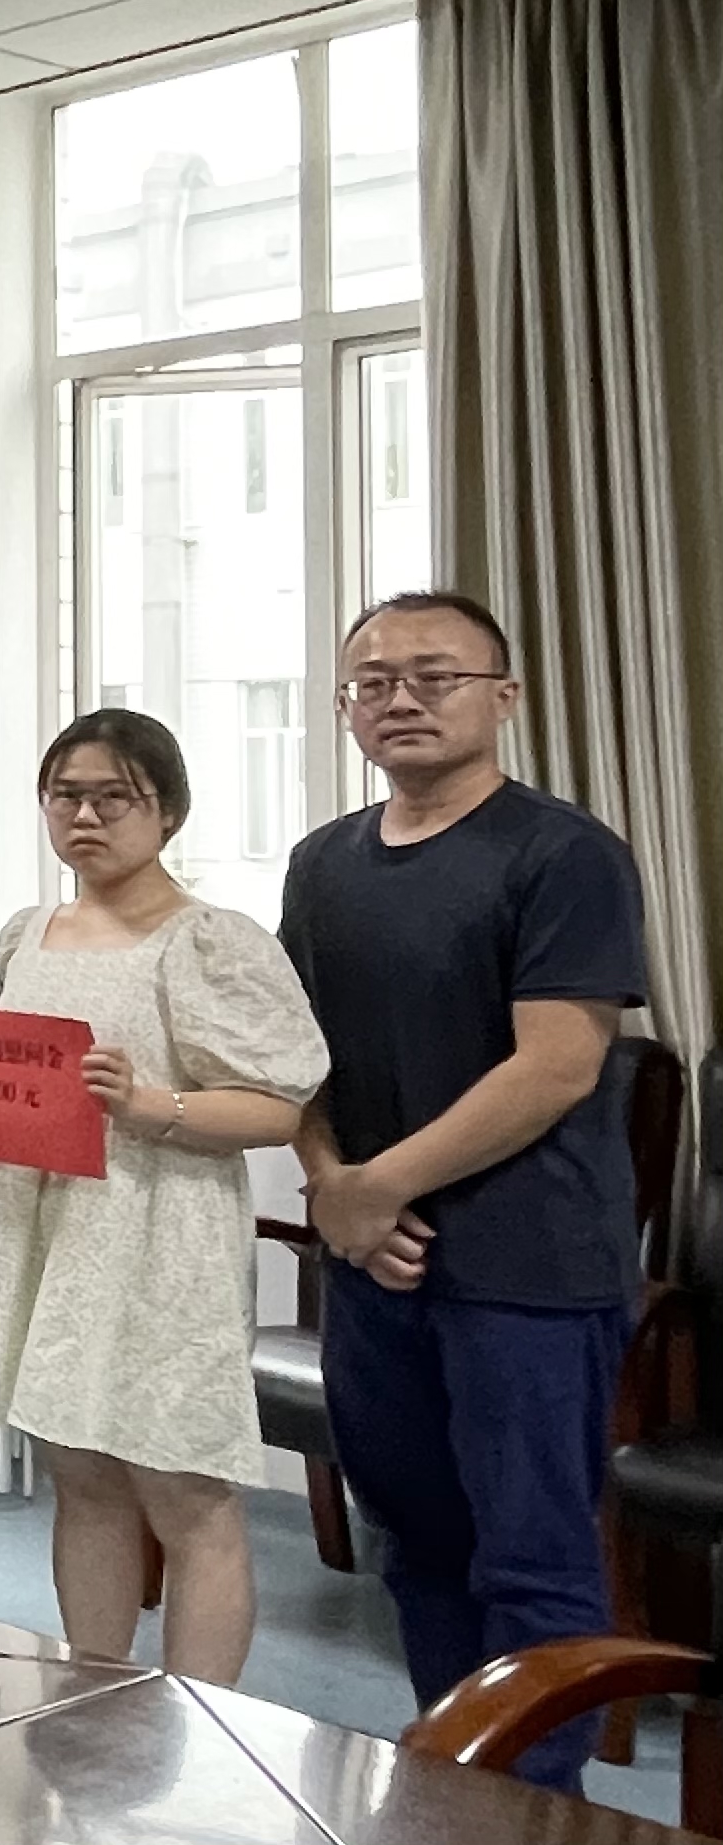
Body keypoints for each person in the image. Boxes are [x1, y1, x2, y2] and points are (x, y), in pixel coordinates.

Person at [286, 592, 649, 1789]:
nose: (399, 698)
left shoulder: (564, 853)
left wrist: (373, 1186)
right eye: (371, 681)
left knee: (531, 1559)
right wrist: (331, 1185)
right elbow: (293, 1052)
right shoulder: (321, 862)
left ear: (503, 694)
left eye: (433, 675)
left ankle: (538, 1808)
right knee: (417, 1544)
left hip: (526, 1266)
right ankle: (456, 1788)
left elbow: (556, 1064)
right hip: (375, 1262)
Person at [0, 710, 326, 1680]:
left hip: (161, 1230)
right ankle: (94, 1694)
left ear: (167, 810)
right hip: (47, 1227)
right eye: (65, 795)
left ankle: (206, 1723)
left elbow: (279, 1104)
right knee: (81, 1474)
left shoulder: (207, 938)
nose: (85, 816)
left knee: (184, 1488)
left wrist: (151, 1103)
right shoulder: (28, 932)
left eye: (113, 796)